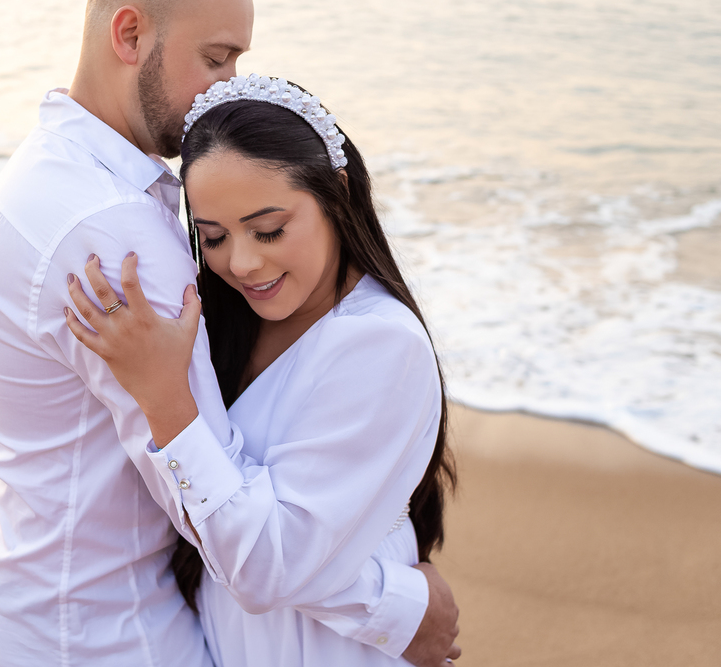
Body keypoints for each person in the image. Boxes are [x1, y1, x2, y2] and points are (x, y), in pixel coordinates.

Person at [0, 0, 460, 666]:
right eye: (215, 58)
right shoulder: (113, 231)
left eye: (267, 226)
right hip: (100, 633)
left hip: (39, 599)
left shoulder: (56, 178)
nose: (222, 90)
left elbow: (264, 522)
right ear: (130, 34)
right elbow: (245, 542)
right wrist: (399, 607)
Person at [63, 75, 458, 666]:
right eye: (214, 236)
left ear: (337, 193)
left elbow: (269, 568)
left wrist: (166, 397)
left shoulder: (380, 344)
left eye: (269, 229)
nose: (242, 263)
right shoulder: (221, 319)